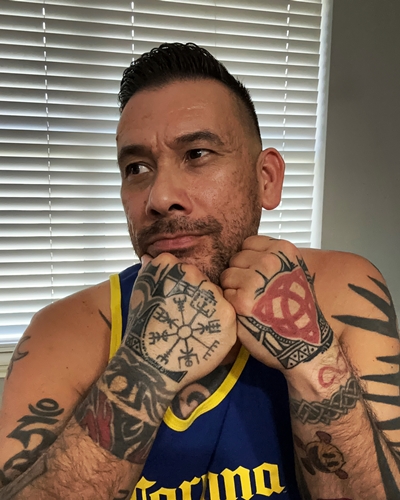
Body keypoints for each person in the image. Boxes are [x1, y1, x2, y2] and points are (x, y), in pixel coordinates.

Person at [0, 42, 399, 500]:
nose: (159, 197)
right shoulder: (64, 331)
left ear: (266, 179)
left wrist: (311, 356)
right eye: (136, 167)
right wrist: (143, 367)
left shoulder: (345, 289)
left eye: (197, 154)